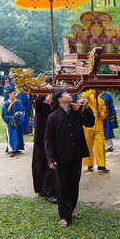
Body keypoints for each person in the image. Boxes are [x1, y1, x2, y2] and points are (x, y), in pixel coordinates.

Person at [45, 88, 94, 228]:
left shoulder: (77, 113)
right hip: (60, 158)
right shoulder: (53, 117)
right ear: (60, 100)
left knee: (73, 185)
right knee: (62, 187)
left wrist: (86, 108)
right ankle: (65, 216)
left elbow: (90, 123)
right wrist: (50, 158)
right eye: (66, 94)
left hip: (76, 155)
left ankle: (70, 209)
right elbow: (48, 140)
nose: (69, 95)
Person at [31, 77, 57, 204]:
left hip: (53, 137)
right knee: (39, 163)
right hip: (41, 136)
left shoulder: (56, 98)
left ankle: (49, 191)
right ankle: (41, 189)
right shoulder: (38, 96)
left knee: (50, 165)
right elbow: (36, 105)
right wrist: (42, 92)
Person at [81, 89, 110, 172]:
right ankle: (89, 164)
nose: (97, 91)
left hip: (99, 125)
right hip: (88, 126)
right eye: (96, 90)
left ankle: (101, 165)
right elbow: (84, 96)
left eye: (99, 90)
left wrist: (100, 114)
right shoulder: (89, 98)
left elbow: (104, 114)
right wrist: (92, 87)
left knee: (100, 145)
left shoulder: (101, 101)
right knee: (88, 145)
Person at [1, 89, 26, 157]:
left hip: (17, 121)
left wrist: (19, 113)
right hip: (10, 123)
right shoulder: (6, 104)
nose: (15, 95)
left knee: (18, 135)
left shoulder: (18, 102)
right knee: (11, 135)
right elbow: (4, 115)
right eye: (13, 93)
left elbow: (23, 110)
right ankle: (10, 150)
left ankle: (17, 148)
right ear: (9, 94)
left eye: (15, 93)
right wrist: (10, 118)